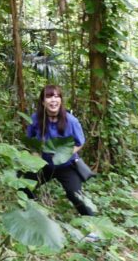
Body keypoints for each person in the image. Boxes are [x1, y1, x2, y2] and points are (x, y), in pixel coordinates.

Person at [21, 84, 96, 218]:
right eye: (49, 97)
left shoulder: (71, 121)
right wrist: (34, 156)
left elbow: (80, 142)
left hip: (66, 165)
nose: (53, 100)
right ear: (43, 102)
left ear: (61, 100)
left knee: (76, 196)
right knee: (22, 184)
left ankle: (92, 224)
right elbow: (30, 140)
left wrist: (63, 155)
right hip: (44, 164)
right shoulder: (36, 119)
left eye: (57, 96)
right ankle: (35, 212)